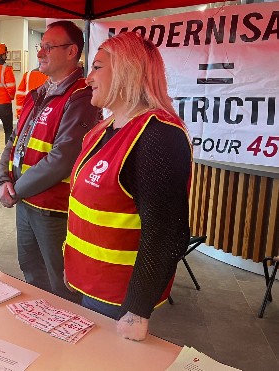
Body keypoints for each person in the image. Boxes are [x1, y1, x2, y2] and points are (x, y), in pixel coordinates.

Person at [64, 31, 192, 341]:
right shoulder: (102, 130)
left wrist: (138, 309)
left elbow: (167, 233)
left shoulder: (158, 136)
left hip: (119, 298)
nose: (87, 78)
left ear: (126, 70)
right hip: (89, 282)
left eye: (96, 67)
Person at [0, 21, 100, 302]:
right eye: (41, 46)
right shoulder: (38, 93)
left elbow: (61, 159)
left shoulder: (81, 97)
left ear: (71, 52)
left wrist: (15, 189)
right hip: (26, 203)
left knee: (60, 281)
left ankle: (66, 337)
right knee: (31, 270)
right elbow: (13, 141)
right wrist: (3, 179)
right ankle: (42, 325)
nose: (40, 52)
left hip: (52, 210)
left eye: (48, 47)